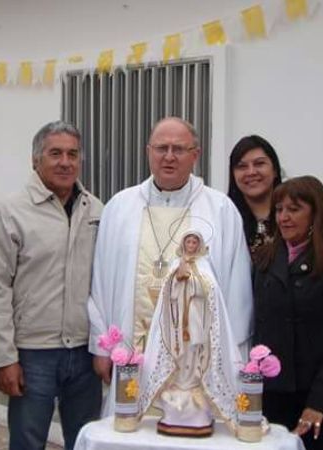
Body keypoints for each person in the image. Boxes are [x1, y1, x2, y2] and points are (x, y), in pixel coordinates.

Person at [87, 117, 253, 414]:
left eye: (179, 148)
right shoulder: (120, 207)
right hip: (131, 354)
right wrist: (102, 348)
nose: (169, 156)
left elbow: (237, 290)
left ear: (196, 155)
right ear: (148, 151)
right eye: (161, 148)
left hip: (197, 360)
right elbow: (100, 281)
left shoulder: (221, 210)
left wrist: (235, 357)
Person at [0, 121, 103, 450]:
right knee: (27, 442)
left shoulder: (95, 209)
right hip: (32, 354)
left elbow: (106, 280)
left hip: (84, 352)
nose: (65, 162)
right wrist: (4, 358)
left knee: (85, 440)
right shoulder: (12, 211)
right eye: (55, 153)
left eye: (72, 154)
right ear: (36, 160)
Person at [253, 176, 323, 450]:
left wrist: (321, 403)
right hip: (274, 397)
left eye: (294, 209)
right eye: (279, 209)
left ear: (316, 213)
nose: (284, 217)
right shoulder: (265, 259)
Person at [139, 230, 242, 437]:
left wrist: (193, 283)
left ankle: (194, 383)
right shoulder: (177, 265)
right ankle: (181, 384)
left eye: (195, 241)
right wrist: (177, 280)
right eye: (189, 241)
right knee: (181, 352)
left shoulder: (204, 266)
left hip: (198, 319)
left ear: (199, 244)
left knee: (195, 352)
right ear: (184, 244)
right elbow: (168, 293)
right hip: (177, 323)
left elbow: (210, 291)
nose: (192, 245)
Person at [227, 135, 282, 258]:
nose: (251, 172)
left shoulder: (292, 218)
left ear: (275, 170)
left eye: (259, 163)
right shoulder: (225, 219)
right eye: (242, 166)